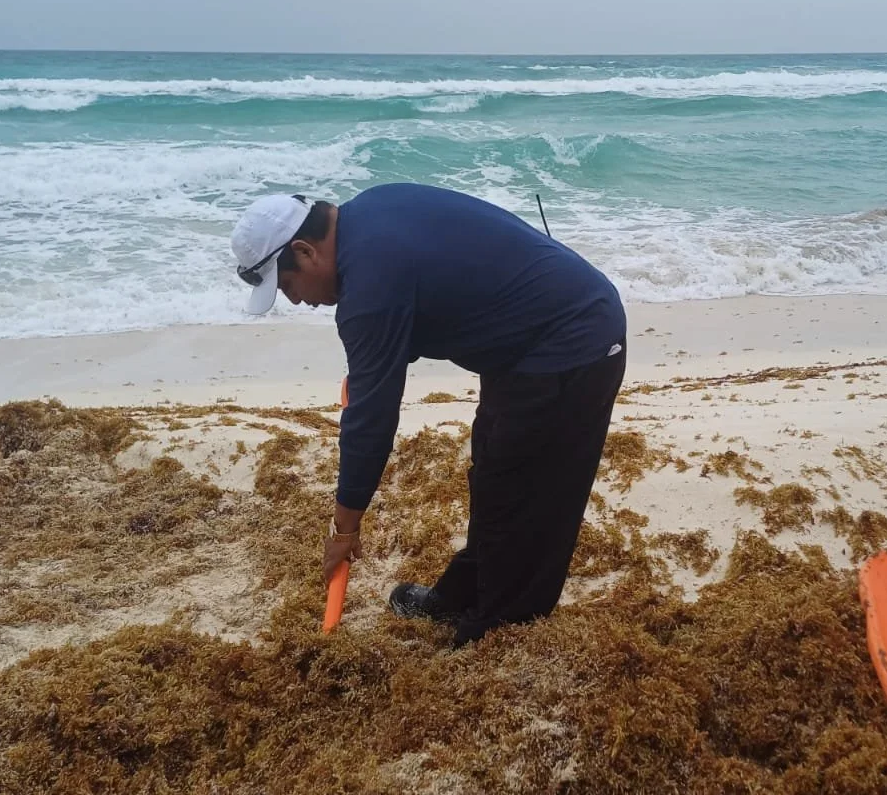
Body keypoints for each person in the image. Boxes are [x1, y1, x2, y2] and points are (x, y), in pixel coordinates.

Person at [230, 184, 626, 646]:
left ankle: (499, 633)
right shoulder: (371, 212)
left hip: (574, 339)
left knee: (530, 490)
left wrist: (345, 527)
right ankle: (463, 596)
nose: (297, 301)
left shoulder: (370, 283)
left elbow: (372, 419)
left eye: (289, 286)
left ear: (304, 250)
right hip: (525, 342)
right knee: (496, 474)